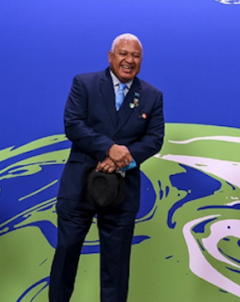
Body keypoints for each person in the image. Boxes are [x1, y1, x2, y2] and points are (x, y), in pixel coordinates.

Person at [49, 33, 164, 302]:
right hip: (78, 189)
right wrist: (107, 148)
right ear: (111, 55)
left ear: (141, 60)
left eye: (135, 56)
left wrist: (121, 158)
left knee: (116, 268)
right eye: (123, 53)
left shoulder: (152, 96)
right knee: (65, 256)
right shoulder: (84, 83)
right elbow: (73, 124)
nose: (129, 60)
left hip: (122, 193)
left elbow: (154, 140)